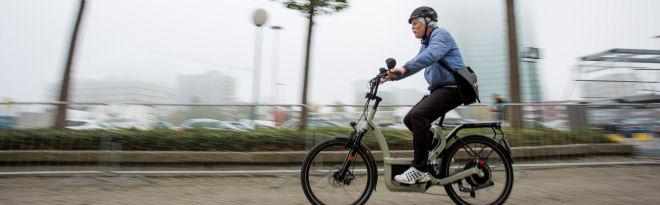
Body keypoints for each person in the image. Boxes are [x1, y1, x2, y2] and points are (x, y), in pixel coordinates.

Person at [381, 6, 465, 184]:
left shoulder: (440, 35)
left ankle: (420, 169)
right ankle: (436, 154)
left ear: (428, 22)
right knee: (409, 119)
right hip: (441, 90)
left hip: (453, 88)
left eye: (416, 22)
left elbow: (429, 57)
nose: (413, 27)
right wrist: (392, 76)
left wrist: (403, 68)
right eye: (411, 24)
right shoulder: (426, 43)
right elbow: (417, 64)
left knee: (419, 115)